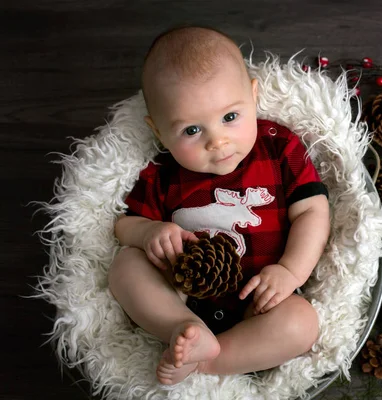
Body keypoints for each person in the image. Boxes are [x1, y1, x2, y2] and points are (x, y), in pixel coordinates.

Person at [107, 26, 330, 385]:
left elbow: (312, 211)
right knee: (124, 265)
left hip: (261, 303)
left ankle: (211, 360)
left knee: (303, 323)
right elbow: (124, 226)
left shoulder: (279, 148)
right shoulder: (162, 173)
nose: (217, 141)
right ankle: (183, 329)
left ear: (253, 97)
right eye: (192, 130)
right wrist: (150, 231)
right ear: (159, 132)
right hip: (182, 295)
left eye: (230, 117)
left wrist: (290, 272)